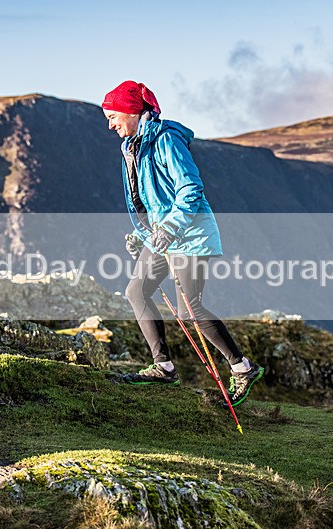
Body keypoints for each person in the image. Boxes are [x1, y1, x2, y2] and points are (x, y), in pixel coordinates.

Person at [101, 80, 263, 406]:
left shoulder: (165, 139)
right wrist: (143, 236)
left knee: (190, 311)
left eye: (114, 115)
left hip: (190, 235)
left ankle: (242, 368)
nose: (111, 124)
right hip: (163, 236)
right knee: (136, 291)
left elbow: (190, 188)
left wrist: (170, 228)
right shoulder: (133, 147)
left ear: (133, 112)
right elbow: (148, 200)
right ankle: (163, 367)